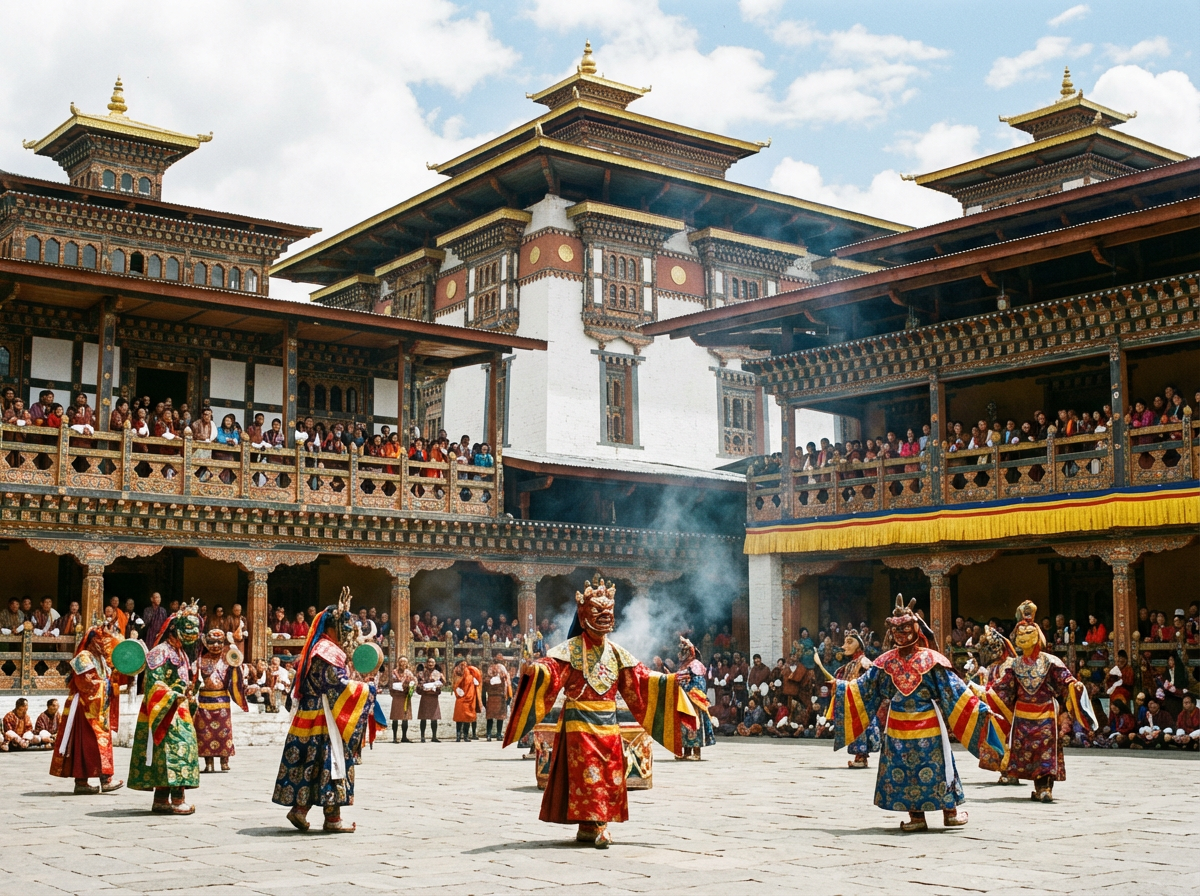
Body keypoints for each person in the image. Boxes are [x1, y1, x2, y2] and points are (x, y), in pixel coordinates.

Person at [502, 578, 699, 849]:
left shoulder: (617, 653)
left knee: (609, 777)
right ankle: (598, 826)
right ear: (583, 617)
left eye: (609, 613)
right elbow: (552, 668)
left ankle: (589, 826)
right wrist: (535, 670)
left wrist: (672, 680)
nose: (605, 618)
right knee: (589, 777)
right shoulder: (570, 650)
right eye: (597, 612)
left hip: (610, 728)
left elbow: (641, 679)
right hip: (579, 727)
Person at [822, 595, 1002, 832]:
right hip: (897, 729)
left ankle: (950, 813)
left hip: (929, 725)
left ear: (916, 629)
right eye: (896, 629)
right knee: (905, 773)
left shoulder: (930, 659)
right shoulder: (885, 662)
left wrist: (979, 707)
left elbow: (953, 689)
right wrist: (842, 686)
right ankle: (916, 816)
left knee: (940, 768)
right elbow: (865, 687)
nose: (900, 634)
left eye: (905, 628)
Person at [272, 587, 376, 833]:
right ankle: (332, 819)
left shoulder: (317, 648)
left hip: (308, 716)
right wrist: (366, 690)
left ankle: (299, 810)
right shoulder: (329, 653)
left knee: (310, 764)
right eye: (347, 628)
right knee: (333, 764)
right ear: (335, 627)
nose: (349, 633)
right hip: (326, 719)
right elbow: (336, 685)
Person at [988, 601, 1096, 802]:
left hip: (1045, 714)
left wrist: (1074, 686)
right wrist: (984, 696)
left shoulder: (1050, 661)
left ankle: (1045, 787)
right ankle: (1037, 786)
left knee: (1045, 752)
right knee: (1028, 753)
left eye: (1029, 632)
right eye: (1020, 634)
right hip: (1022, 716)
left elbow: (1066, 680)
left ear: (1038, 635)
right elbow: (1002, 689)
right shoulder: (1015, 665)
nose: (1023, 636)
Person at [128, 600, 203, 815]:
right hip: (164, 709)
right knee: (173, 753)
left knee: (177, 752)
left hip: (179, 710)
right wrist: (174, 694)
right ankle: (173, 800)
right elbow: (154, 683)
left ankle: (163, 799)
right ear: (174, 629)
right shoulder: (160, 652)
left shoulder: (181, 654)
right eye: (188, 630)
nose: (192, 635)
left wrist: (190, 692)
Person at [50, 622, 126, 793]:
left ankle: (96, 780)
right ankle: (92, 781)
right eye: (102, 640)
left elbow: (107, 679)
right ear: (92, 641)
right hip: (84, 708)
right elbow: (87, 684)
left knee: (95, 744)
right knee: (86, 744)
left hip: (97, 709)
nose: (106, 645)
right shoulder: (82, 657)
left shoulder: (101, 660)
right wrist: (106, 684)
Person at [816, 629, 879, 769]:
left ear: (859, 646)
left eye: (850, 642)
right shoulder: (849, 665)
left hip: (861, 703)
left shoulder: (863, 661)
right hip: (852, 702)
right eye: (845, 642)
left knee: (861, 730)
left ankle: (861, 757)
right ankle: (860, 757)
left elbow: (869, 680)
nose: (845, 646)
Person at [970, 625, 1021, 784]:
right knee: (997, 739)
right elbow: (988, 686)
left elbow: (1005, 686)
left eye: (993, 647)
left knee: (1010, 739)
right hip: (995, 708)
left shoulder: (1012, 663)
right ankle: (1003, 769)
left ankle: (1012, 771)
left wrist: (985, 690)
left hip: (1009, 708)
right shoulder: (991, 667)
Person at [194, 629, 248, 774]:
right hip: (204, 701)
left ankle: (224, 761)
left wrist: (233, 647)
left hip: (222, 700)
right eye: (212, 642)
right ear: (206, 642)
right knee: (205, 733)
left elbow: (238, 672)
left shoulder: (228, 659)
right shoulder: (201, 660)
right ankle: (209, 763)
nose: (216, 645)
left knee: (224, 732)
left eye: (219, 642)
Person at [676, 636, 714, 760]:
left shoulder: (695, 665)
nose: (681, 654)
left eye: (684, 651)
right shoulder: (683, 665)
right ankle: (686, 752)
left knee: (695, 726)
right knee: (684, 727)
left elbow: (699, 684)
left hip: (694, 701)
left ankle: (697, 753)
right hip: (683, 701)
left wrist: (687, 689)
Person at [483, 651, 512, 742]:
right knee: (500, 717)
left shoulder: (490, 669)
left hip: (491, 697)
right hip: (500, 696)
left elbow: (485, 683)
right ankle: (499, 735)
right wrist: (508, 697)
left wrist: (484, 700)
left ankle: (488, 735)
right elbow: (507, 683)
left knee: (490, 717)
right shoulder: (502, 668)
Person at [388, 657, 417, 743]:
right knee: (395, 717)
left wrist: (412, 686)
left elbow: (414, 681)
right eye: (401, 662)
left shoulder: (409, 673)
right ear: (398, 663)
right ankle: (394, 737)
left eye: (405, 662)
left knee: (405, 717)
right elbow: (390, 683)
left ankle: (404, 736)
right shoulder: (394, 672)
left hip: (405, 696)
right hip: (397, 696)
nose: (403, 664)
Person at [452, 659, 481, 742]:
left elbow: (477, 680)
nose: (464, 665)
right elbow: (455, 684)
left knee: (468, 718)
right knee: (460, 718)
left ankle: (465, 736)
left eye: (465, 664)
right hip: (461, 698)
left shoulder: (471, 673)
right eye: (462, 664)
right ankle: (458, 736)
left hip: (470, 698)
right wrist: (457, 690)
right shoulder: (457, 673)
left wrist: (475, 681)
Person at [416, 656, 444, 742]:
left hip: (434, 697)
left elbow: (443, 683)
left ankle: (434, 736)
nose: (431, 664)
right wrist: (424, 686)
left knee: (434, 718)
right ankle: (422, 736)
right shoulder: (421, 673)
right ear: (426, 664)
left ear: (435, 664)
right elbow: (418, 684)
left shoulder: (438, 673)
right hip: (425, 696)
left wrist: (438, 684)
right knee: (423, 717)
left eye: (432, 662)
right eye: (429, 662)